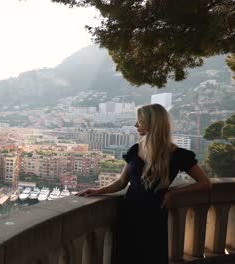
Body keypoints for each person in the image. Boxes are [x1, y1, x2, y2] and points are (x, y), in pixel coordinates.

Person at [77, 104, 211, 264]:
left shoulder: (178, 155)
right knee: (124, 256)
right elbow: (121, 182)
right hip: (129, 211)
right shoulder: (135, 149)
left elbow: (205, 183)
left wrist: (173, 193)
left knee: (150, 256)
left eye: (139, 121)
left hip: (154, 215)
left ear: (151, 124)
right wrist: (98, 191)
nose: (135, 125)